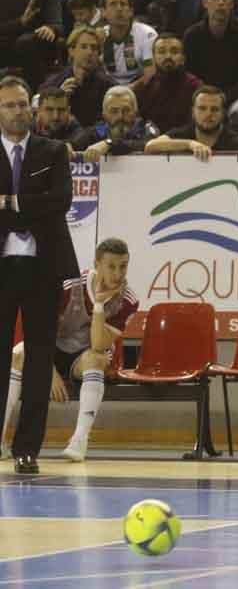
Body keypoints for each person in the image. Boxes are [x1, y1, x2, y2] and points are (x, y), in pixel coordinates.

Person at [0, 75, 79, 475]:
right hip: (3, 266)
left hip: (43, 265)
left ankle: (27, 449)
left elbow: (60, 200)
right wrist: (33, 204)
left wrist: (10, 202)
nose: (19, 112)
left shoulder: (52, 151)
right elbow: (44, 203)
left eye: (22, 104)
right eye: (10, 105)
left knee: (38, 360)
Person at [1, 238, 137, 463]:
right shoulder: (70, 286)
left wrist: (100, 305)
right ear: (97, 264)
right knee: (18, 356)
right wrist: (48, 371)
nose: (118, 273)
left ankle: (79, 441)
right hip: (51, 348)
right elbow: (37, 330)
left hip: (83, 355)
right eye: (111, 266)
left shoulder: (128, 300)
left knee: (97, 360)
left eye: (123, 266)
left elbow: (98, 345)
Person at [182, 0, 238, 134]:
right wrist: (207, 98)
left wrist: (224, 97)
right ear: (205, 2)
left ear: (232, 3)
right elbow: (188, 75)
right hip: (203, 97)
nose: (221, 3)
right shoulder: (192, 35)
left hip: (236, 96)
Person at [40, 26, 117, 128]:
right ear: (71, 50)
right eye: (84, 47)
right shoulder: (52, 85)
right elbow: (42, 123)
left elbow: (109, 124)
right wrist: (59, 98)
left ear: (99, 54)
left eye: (94, 48)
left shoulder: (109, 87)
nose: (89, 52)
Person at [146, 85, 238, 160]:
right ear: (193, 112)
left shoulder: (235, 143)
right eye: (202, 108)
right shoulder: (182, 133)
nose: (208, 114)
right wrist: (190, 144)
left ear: (223, 114)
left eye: (215, 109)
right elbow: (150, 146)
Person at [132, 33, 204, 133]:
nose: (168, 56)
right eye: (161, 52)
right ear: (154, 58)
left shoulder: (195, 86)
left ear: (183, 59)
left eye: (174, 52)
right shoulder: (143, 87)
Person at [71, 85, 160, 162]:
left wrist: (109, 144)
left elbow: (148, 145)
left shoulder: (146, 128)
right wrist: (68, 147)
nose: (120, 116)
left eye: (126, 110)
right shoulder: (98, 130)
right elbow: (75, 143)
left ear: (135, 112)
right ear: (104, 115)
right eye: (114, 111)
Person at [100, 0, 157, 86]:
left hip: (139, 88)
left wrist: (127, 90)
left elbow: (150, 73)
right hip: (107, 87)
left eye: (123, 4)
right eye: (113, 4)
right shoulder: (98, 36)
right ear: (103, 12)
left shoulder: (147, 34)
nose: (119, 9)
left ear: (131, 11)